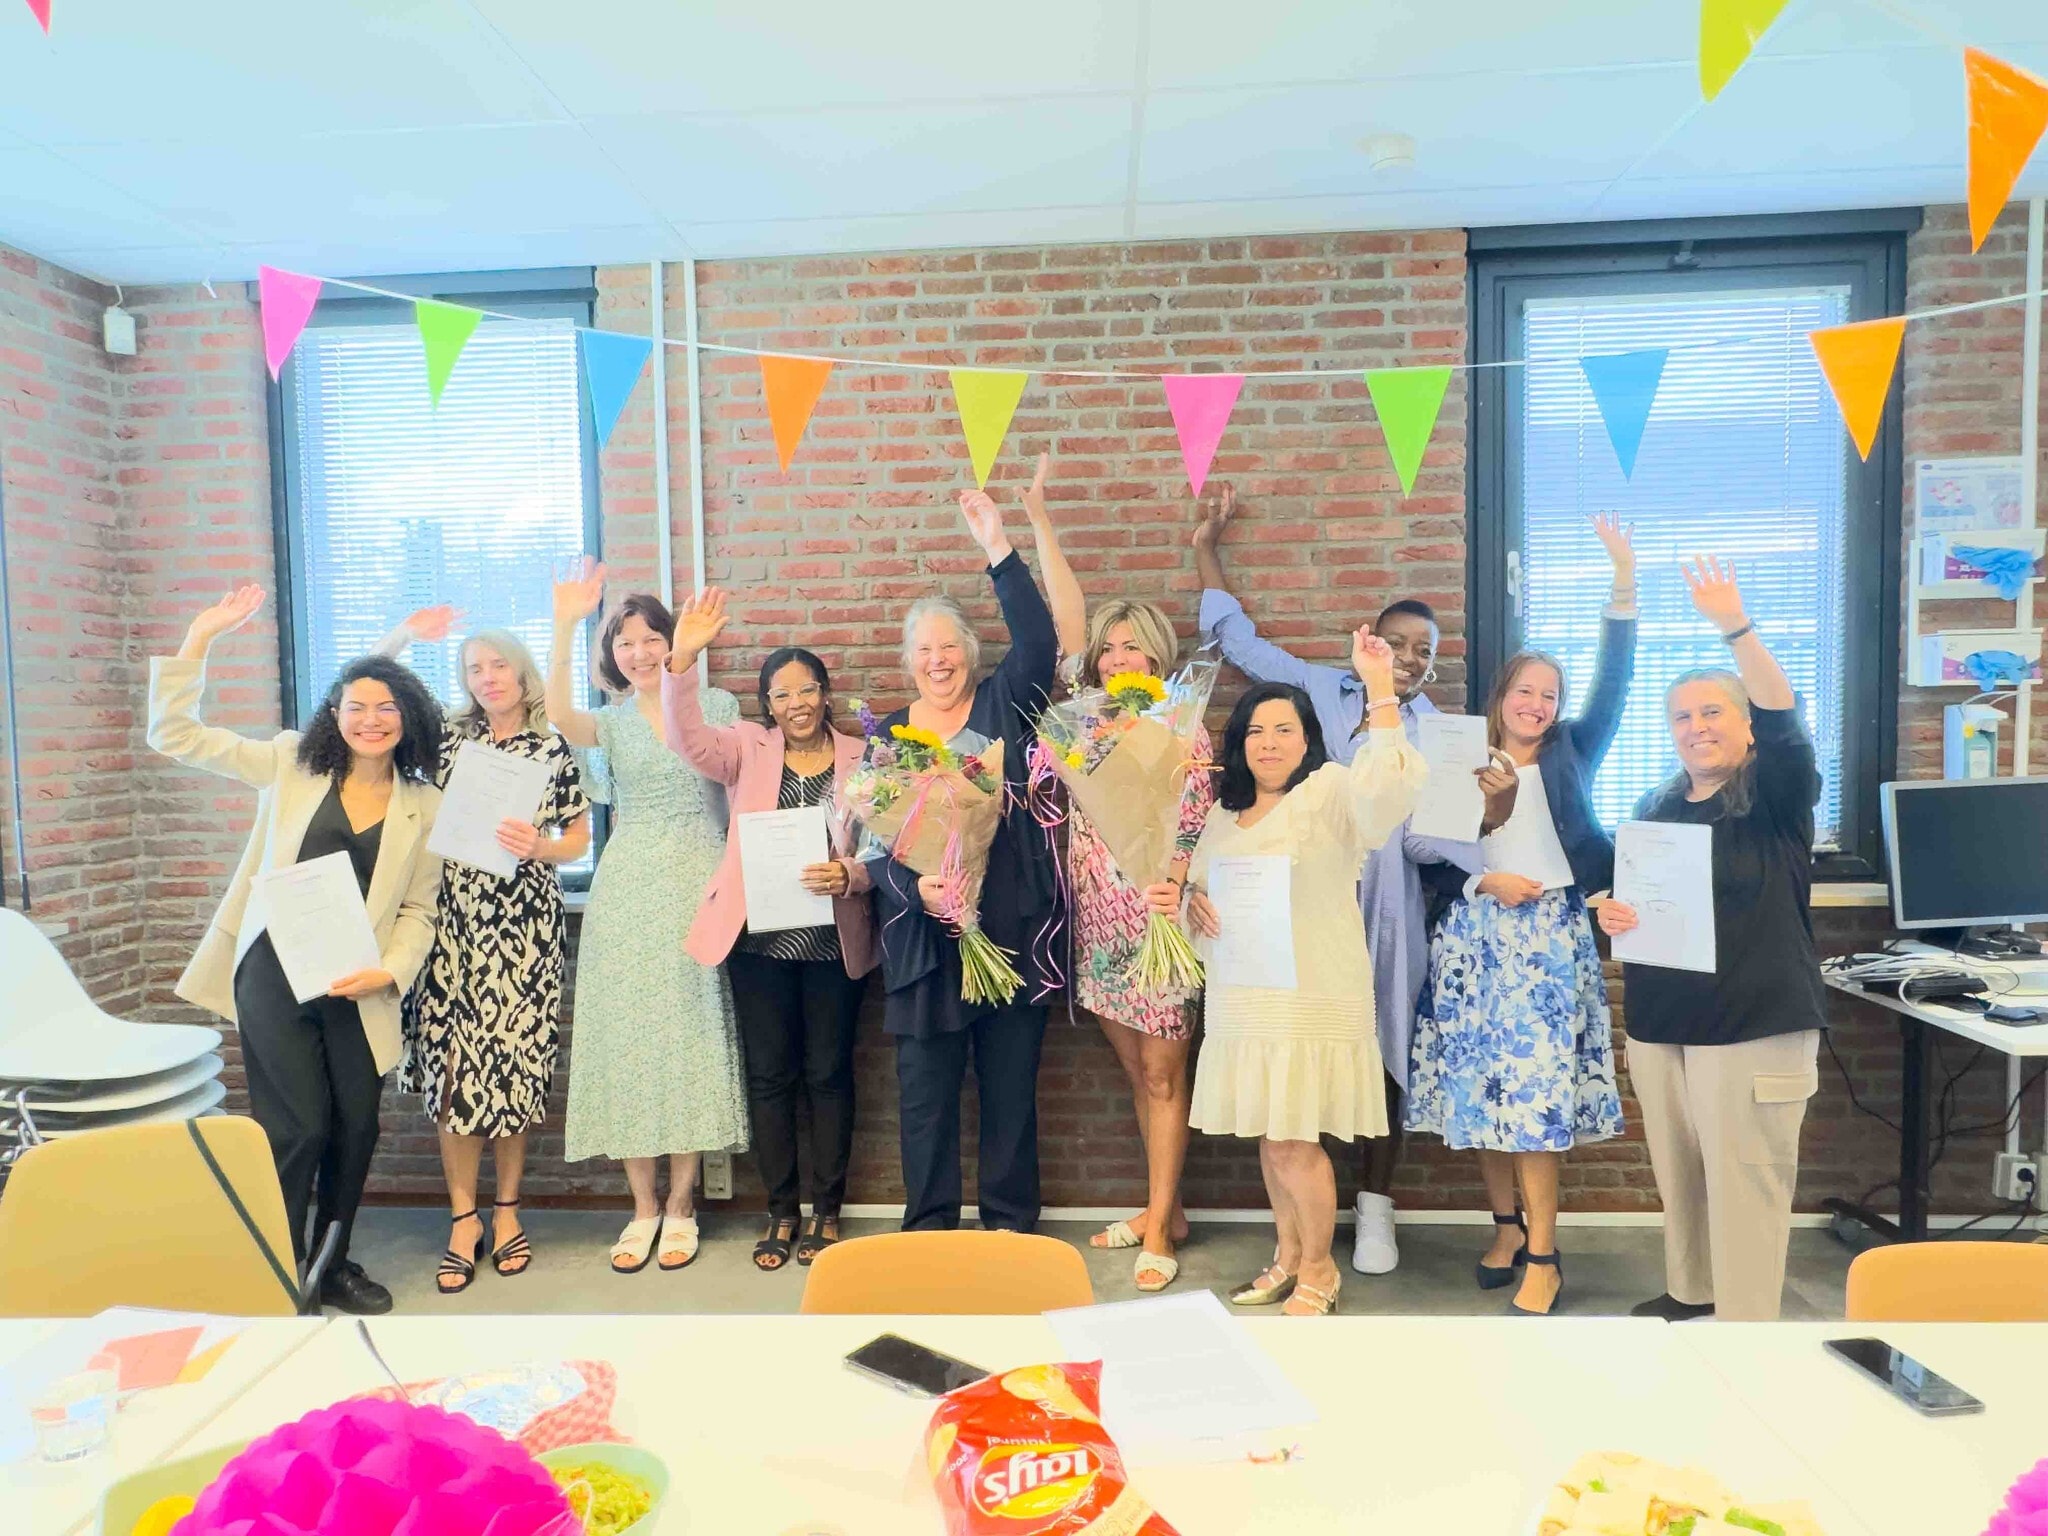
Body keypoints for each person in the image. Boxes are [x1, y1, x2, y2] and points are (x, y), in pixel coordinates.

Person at [1193, 484, 1513, 1276]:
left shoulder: (1440, 735)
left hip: (1388, 904)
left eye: (1424, 655)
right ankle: (1301, 1225)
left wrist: (1490, 819)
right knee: (1293, 1044)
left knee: (1380, 1050)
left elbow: (1432, 849)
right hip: (1296, 896)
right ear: (1371, 640)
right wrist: (1205, 547)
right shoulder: (1311, 690)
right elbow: (1241, 643)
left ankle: (1376, 1209)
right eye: (1398, 645)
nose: (1410, 661)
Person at [147, 585, 444, 1315]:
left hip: (357, 981)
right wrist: (199, 638)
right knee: (299, 1125)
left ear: (407, 719)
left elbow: (420, 910)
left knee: (356, 1127)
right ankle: (280, 1268)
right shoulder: (291, 765)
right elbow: (177, 736)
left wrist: (391, 970)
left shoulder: (424, 802)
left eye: (386, 708)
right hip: (276, 972)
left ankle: (332, 1264)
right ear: (333, 715)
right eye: (356, 707)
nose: (370, 720)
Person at [1404, 513, 1637, 1317]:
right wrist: (1480, 884)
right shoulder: (1458, 751)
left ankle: (1545, 1254)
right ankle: (1503, 1227)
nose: (1538, 704)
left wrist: (1622, 583)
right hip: (1473, 941)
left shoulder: (1575, 750)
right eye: (1526, 690)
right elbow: (1428, 851)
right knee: (1483, 1092)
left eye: (1550, 695)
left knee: (1535, 1103)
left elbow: (1617, 679)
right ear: (1499, 696)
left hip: (1549, 942)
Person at [1152, 633, 1425, 1317]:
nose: (1268, 742)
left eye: (1285, 729)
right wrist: (1188, 903)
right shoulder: (1221, 817)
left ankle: (1318, 1269)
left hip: (1312, 996)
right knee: (1272, 1143)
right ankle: (1285, 1253)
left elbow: (1389, 790)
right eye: (1255, 731)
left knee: (1296, 1141)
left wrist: (1380, 688)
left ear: (1308, 740)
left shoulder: (1333, 793)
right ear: (1239, 742)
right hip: (1247, 1002)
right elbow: (1204, 911)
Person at [1597, 556, 1823, 1323]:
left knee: (1747, 1179)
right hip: (1664, 1025)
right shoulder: (1658, 802)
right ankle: (1691, 1295)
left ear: (1748, 727)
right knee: (1684, 1175)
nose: (1696, 728)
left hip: (1754, 1022)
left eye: (1713, 712)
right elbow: (1635, 898)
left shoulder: (1778, 795)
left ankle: (1747, 1326)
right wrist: (1614, 910)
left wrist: (1737, 626)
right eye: (1683, 718)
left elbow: (1786, 718)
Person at [1024, 454, 1214, 1293]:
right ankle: (1162, 1207)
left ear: (1159, 653)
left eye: (1133, 645)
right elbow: (1044, 789)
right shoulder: (1079, 721)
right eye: (1108, 647)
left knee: (1167, 1069)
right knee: (1137, 1071)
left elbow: (1198, 811)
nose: (1116, 656)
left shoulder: (1183, 722)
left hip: (1157, 914)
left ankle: (1163, 1228)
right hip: (1097, 918)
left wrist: (1174, 874)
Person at [661, 589, 877, 1272]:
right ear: (767, 705)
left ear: (825, 692)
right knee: (771, 1076)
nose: (797, 703)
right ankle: (781, 1210)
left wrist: (853, 877)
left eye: (807, 689)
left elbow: (885, 847)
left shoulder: (864, 756)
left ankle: (828, 1210)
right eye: (781, 695)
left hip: (829, 941)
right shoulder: (745, 752)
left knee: (830, 1075)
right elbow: (685, 737)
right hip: (756, 945)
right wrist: (682, 661)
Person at [375, 613, 590, 1295]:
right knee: (455, 1073)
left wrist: (541, 846)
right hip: (447, 925)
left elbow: (579, 839)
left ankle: (507, 1213)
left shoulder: (552, 749)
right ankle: (462, 1218)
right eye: (474, 668)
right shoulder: (447, 738)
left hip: (522, 928)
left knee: (513, 1074)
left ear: (522, 674)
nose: (487, 678)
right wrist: (404, 634)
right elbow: (374, 686)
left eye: (497, 665)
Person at [547, 565, 748, 1275]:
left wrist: (683, 671)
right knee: (628, 1040)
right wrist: (568, 622)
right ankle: (641, 1206)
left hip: (699, 878)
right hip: (627, 885)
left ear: (672, 642)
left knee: (686, 1037)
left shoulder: (715, 705)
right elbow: (557, 716)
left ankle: (684, 1203)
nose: (638, 651)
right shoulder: (607, 721)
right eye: (625, 642)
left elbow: (733, 785)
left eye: (650, 638)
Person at [871, 484, 1059, 1233]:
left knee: (1012, 1093)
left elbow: (1041, 645)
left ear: (970, 656)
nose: (937, 660)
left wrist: (998, 549)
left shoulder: (1002, 703)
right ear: (909, 663)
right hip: (924, 946)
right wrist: (920, 885)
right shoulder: (890, 734)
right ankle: (930, 1232)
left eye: (949, 647)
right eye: (924, 650)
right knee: (925, 1100)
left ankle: (1011, 1228)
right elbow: (876, 848)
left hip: (1005, 929)